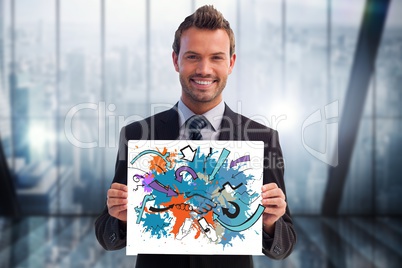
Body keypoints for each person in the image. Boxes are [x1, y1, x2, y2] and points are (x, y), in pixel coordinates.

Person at [95, 5, 296, 268]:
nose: (204, 69)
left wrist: (270, 223)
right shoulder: (137, 136)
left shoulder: (262, 140)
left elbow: (284, 245)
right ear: (175, 60)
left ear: (231, 63)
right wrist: (120, 218)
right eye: (193, 57)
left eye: (216, 57)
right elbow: (107, 237)